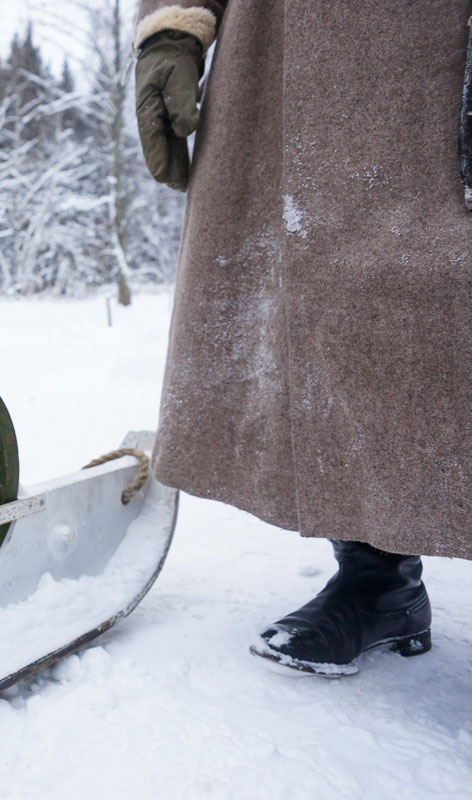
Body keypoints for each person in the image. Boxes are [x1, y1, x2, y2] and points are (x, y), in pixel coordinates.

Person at [132, 2, 469, 675]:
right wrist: (171, 29)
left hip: (436, 47)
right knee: (324, 310)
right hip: (281, 52)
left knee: (441, 298)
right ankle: (379, 582)